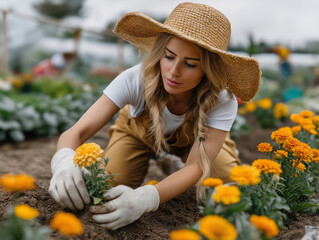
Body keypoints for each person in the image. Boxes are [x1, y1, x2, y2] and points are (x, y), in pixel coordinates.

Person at [48, 2, 261, 231]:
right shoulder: (134, 79)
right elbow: (76, 132)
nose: (174, 71)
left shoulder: (221, 99)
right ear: (160, 52)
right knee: (108, 188)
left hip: (196, 143)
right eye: (169, 57)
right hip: (138, 135)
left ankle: (178, 165)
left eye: (190, 64)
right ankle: (169, 166)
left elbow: (195, 167)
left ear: (208, 70)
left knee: (228, 187)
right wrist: (63, 161)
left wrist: (147, 197)